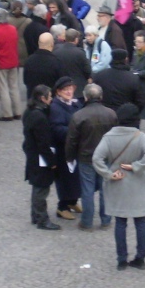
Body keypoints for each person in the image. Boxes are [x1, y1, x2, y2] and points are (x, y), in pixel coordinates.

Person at [93, 103, 145, 270]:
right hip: (137, 185)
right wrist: (137, 166)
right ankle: (140, 258)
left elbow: (96, 159)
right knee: (141, 222)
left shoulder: (108, 137)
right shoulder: (140, 136)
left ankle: (121, 260)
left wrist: (108, 174)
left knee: (120, 223)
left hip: (118, 184)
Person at [66, 83, 119, 230]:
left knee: (87, 190)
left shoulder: (78, 116)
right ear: (101, 96)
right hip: (106, 157)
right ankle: (106, 220)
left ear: (85, 97)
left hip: (86, 157)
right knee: (105, 189)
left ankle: (87, 221)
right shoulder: (111, 114)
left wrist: (69, 157)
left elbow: (72, 140)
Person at [22, 85, 62, 230]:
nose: (51, 99)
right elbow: (43, 144)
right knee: (41, 188)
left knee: (37, 186)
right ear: (42, 98)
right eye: (49, 96)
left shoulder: (29, 112)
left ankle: (35, 215)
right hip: (40, 157)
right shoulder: (40, 117)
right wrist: (52, 161)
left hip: (32, 154)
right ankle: (42, 219)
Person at [49, 76, 82, 221]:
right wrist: (74, 132)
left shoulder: (75, 104)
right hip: (62, 149)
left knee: (75, 176)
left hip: (75, 147)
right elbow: (56, 129)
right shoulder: (56, 107)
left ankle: (72, 201)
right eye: (65, 90)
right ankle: (62, 207)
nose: (69, 92)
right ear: (58, 92)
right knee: (65, 178)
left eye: (71, 89)